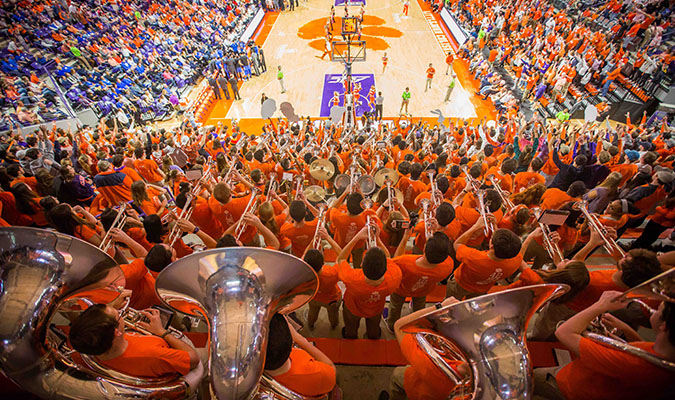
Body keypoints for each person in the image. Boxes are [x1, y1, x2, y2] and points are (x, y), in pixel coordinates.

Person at [533, 292, 675, 400]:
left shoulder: (632, 364)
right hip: (589, 377)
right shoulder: (666, 355)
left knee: (532, 377)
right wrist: (625, 328)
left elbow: (564, 332)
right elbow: (642, 347)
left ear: (663, 325)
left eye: (658, 310)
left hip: (570, 385)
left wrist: (601, 305)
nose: (654, 311)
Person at [68, 304, 200, 379]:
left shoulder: (86, 349)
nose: (122, 314)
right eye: (119, 314)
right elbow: (194, 359)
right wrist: (161, 332)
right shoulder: (154, 355)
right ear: (117, 332)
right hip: (181, 367)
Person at [264, 313, 337, 397]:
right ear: (291, 341)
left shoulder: (249, 380)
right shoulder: (316, 374)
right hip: (321, 388)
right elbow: (332, 370)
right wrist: (299, 338)